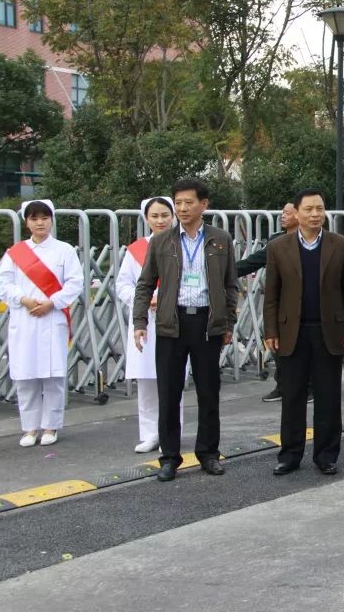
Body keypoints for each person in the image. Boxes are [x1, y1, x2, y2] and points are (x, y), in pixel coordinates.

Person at [133, 178, 238, 482]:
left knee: (209, 392)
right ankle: (169, 457)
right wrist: (140, 322)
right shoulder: (162, 241)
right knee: (169, 393)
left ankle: (208, 453)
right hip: (171, 324)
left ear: (204, 204)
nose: (181, 208)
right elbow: (145, 285)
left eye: (188, 202)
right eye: (177, 203)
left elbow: (231, 285)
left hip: (207, 323)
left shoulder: (220, 239)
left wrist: (228, 322)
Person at [264, 189, 344, 476]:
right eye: (309, 209)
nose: (315, 214)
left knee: (328, 397)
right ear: (296, 213)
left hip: (329, 330)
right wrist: (271, 329)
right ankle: (290, 455)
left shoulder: (341, 245)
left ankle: (326, 455)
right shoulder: (279, 247)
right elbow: (272, 294)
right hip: (291, 331)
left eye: (320, 208)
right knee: (292, 396)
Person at [0, 199, 83, 447]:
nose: (40, 223)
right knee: (25, 375)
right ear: (27, 222)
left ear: (52, 219)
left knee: (53, 375)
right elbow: (3, 283)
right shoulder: (15, 253)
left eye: (44, 218)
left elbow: (75, 282)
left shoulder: (64, 250)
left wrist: (52, 302)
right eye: (34, 218)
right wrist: (22, 299)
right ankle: (29, 428)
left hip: (52, 317)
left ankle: (50, 426)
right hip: (24, 319)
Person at [115, 196, 177, 453]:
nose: (161, 220)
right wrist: (144, 301)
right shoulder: (135, 249)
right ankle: (150, 434)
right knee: (147, 382)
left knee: (171, 381)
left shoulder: (181, 244)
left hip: (173, 321)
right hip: (145, 322)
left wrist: (164, 299)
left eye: (165, 215)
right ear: (147, 219)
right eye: (155, 216)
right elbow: (123, 285)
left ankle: (171, 434)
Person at [237, 202, 298, 403]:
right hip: (280, 301)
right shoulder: (276, 241)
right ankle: (282, 386)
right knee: (277, 343)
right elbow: (253, 262)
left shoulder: (311, 240)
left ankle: (308, 388)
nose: (283, 216)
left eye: (287, 213)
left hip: (303, 300)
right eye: (282, 213)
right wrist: (224, 270)